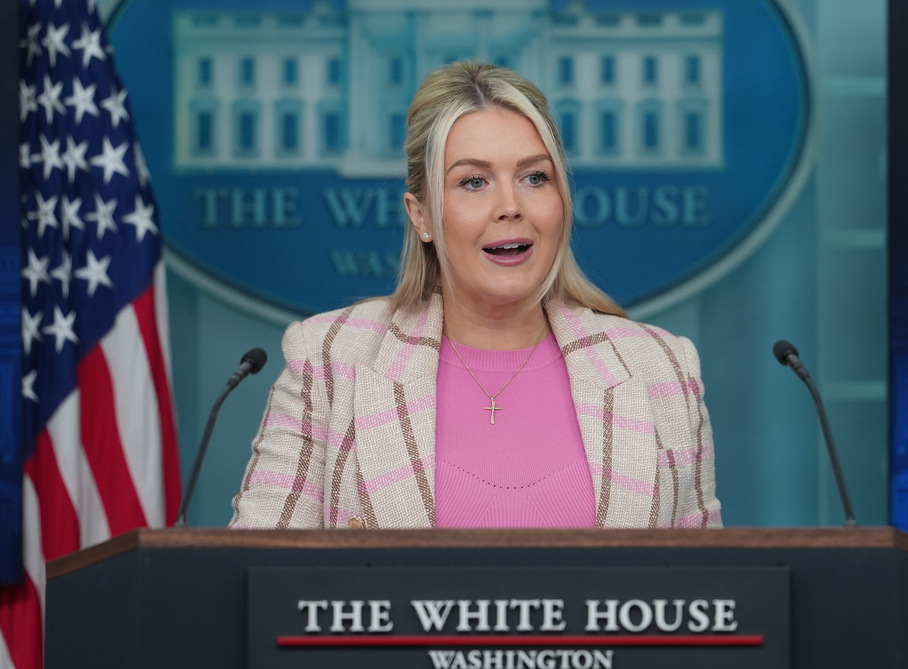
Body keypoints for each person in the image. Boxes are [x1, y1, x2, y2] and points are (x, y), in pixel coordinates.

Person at [229, 61, 721, 530]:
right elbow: (258, 571)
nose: (510, 206)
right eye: (473, 182)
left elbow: (708, 580)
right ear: (421, 215)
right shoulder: (329, 361)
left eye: (534, 177)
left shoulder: (661, 369)